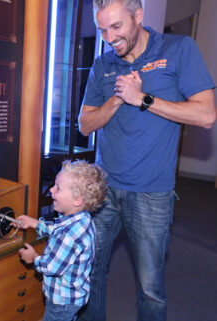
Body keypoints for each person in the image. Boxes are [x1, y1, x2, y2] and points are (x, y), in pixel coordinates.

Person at [76, 0, 217, 320]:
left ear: (138, 17)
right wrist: (116, 99)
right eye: (102, 30)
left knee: (150, 287)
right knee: (88, 271)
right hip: (103, 190)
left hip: (152, 193)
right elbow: (85, 125)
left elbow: (207, 114)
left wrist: (143, 99)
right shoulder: (103, 65)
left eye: (117, 27)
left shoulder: (179, 48)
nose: (110, 38)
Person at [15, 160, 107, 321]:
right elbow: (58, 229)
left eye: (58, 188)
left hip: (62, 301)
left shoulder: (68, 235)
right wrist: (35, 223)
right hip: (74, 296)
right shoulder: (82, 219)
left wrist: (33, 258)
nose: (50, 190)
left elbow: (51, 267)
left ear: (77, 200)